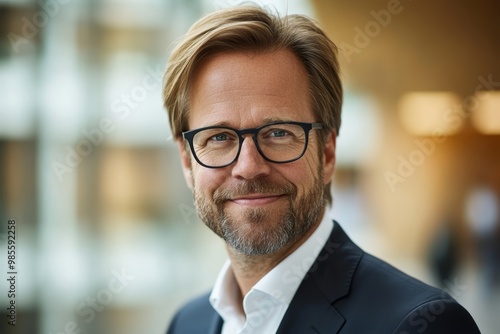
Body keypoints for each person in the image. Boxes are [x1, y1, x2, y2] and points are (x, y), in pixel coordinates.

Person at [162, 5, 480, 334]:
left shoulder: (423, 325)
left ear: (327, 153)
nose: (248, 167)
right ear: (187, 161)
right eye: (219, 137)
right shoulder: (187, 323)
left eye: (278, 133)